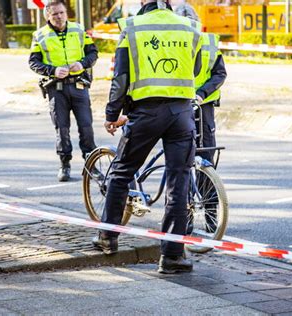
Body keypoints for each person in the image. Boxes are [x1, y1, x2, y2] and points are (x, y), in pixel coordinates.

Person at [92, 0, 202, 274]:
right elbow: (197, 68)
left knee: (121, 172)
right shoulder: (189, 26)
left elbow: (121, 77)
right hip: (181, 113)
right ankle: (172, 256)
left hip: (146, 112)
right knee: (179, 180)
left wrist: (111, 113)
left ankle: (108, 238)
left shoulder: (132, 27)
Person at [29, 0, 98, 181]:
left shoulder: (79, 30)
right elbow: (33, 62)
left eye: (61, 13)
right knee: (62, 129)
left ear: (66, 13)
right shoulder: (40, 35)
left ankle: (90, 164)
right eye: (55, 14)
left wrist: (81, 64)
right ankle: (65, 165)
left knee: (86, 126)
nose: (59, 17)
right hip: (56, 89)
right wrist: (52, 71)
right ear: (48, 17)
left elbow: (93, 53)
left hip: (79, 85)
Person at [175, 3, 227, 164]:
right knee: (181, 151)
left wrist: (201, 94)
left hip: (202, 105)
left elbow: (220, 73)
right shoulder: (172, 44)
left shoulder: (208, 43)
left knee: (205, 152)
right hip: (179, 103)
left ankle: (207, 188)